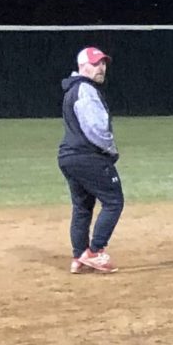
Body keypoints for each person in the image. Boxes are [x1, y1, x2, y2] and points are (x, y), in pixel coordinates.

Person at [58, 45, 123, 274]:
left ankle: (79, 257)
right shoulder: (85, 90)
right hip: (87, 156)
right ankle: (95, 252)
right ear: (82, 66)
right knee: (114, 201)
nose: (101, 68)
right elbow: (95, 128)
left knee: (82, 206)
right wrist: (111, 150)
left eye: (103, 63)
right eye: (96, 64)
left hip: (69, 156)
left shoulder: (72, 89)